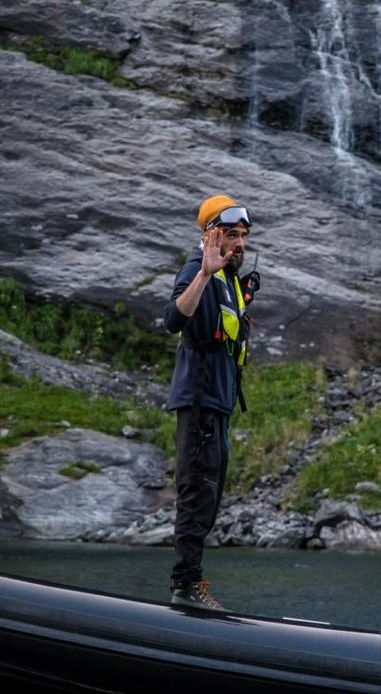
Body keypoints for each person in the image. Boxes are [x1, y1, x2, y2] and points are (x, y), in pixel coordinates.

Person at [164, 194, 256, 609]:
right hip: (198, 403)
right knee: (196, 493)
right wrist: (203, 274)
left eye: (243, 236)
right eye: (231, 235)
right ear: (211, 237)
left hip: (217, 408)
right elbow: (173, 319)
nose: (239, 243)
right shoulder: (196, 271)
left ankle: (193, 586)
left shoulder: (232, 283)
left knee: (210, 497)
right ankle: (187, 589)